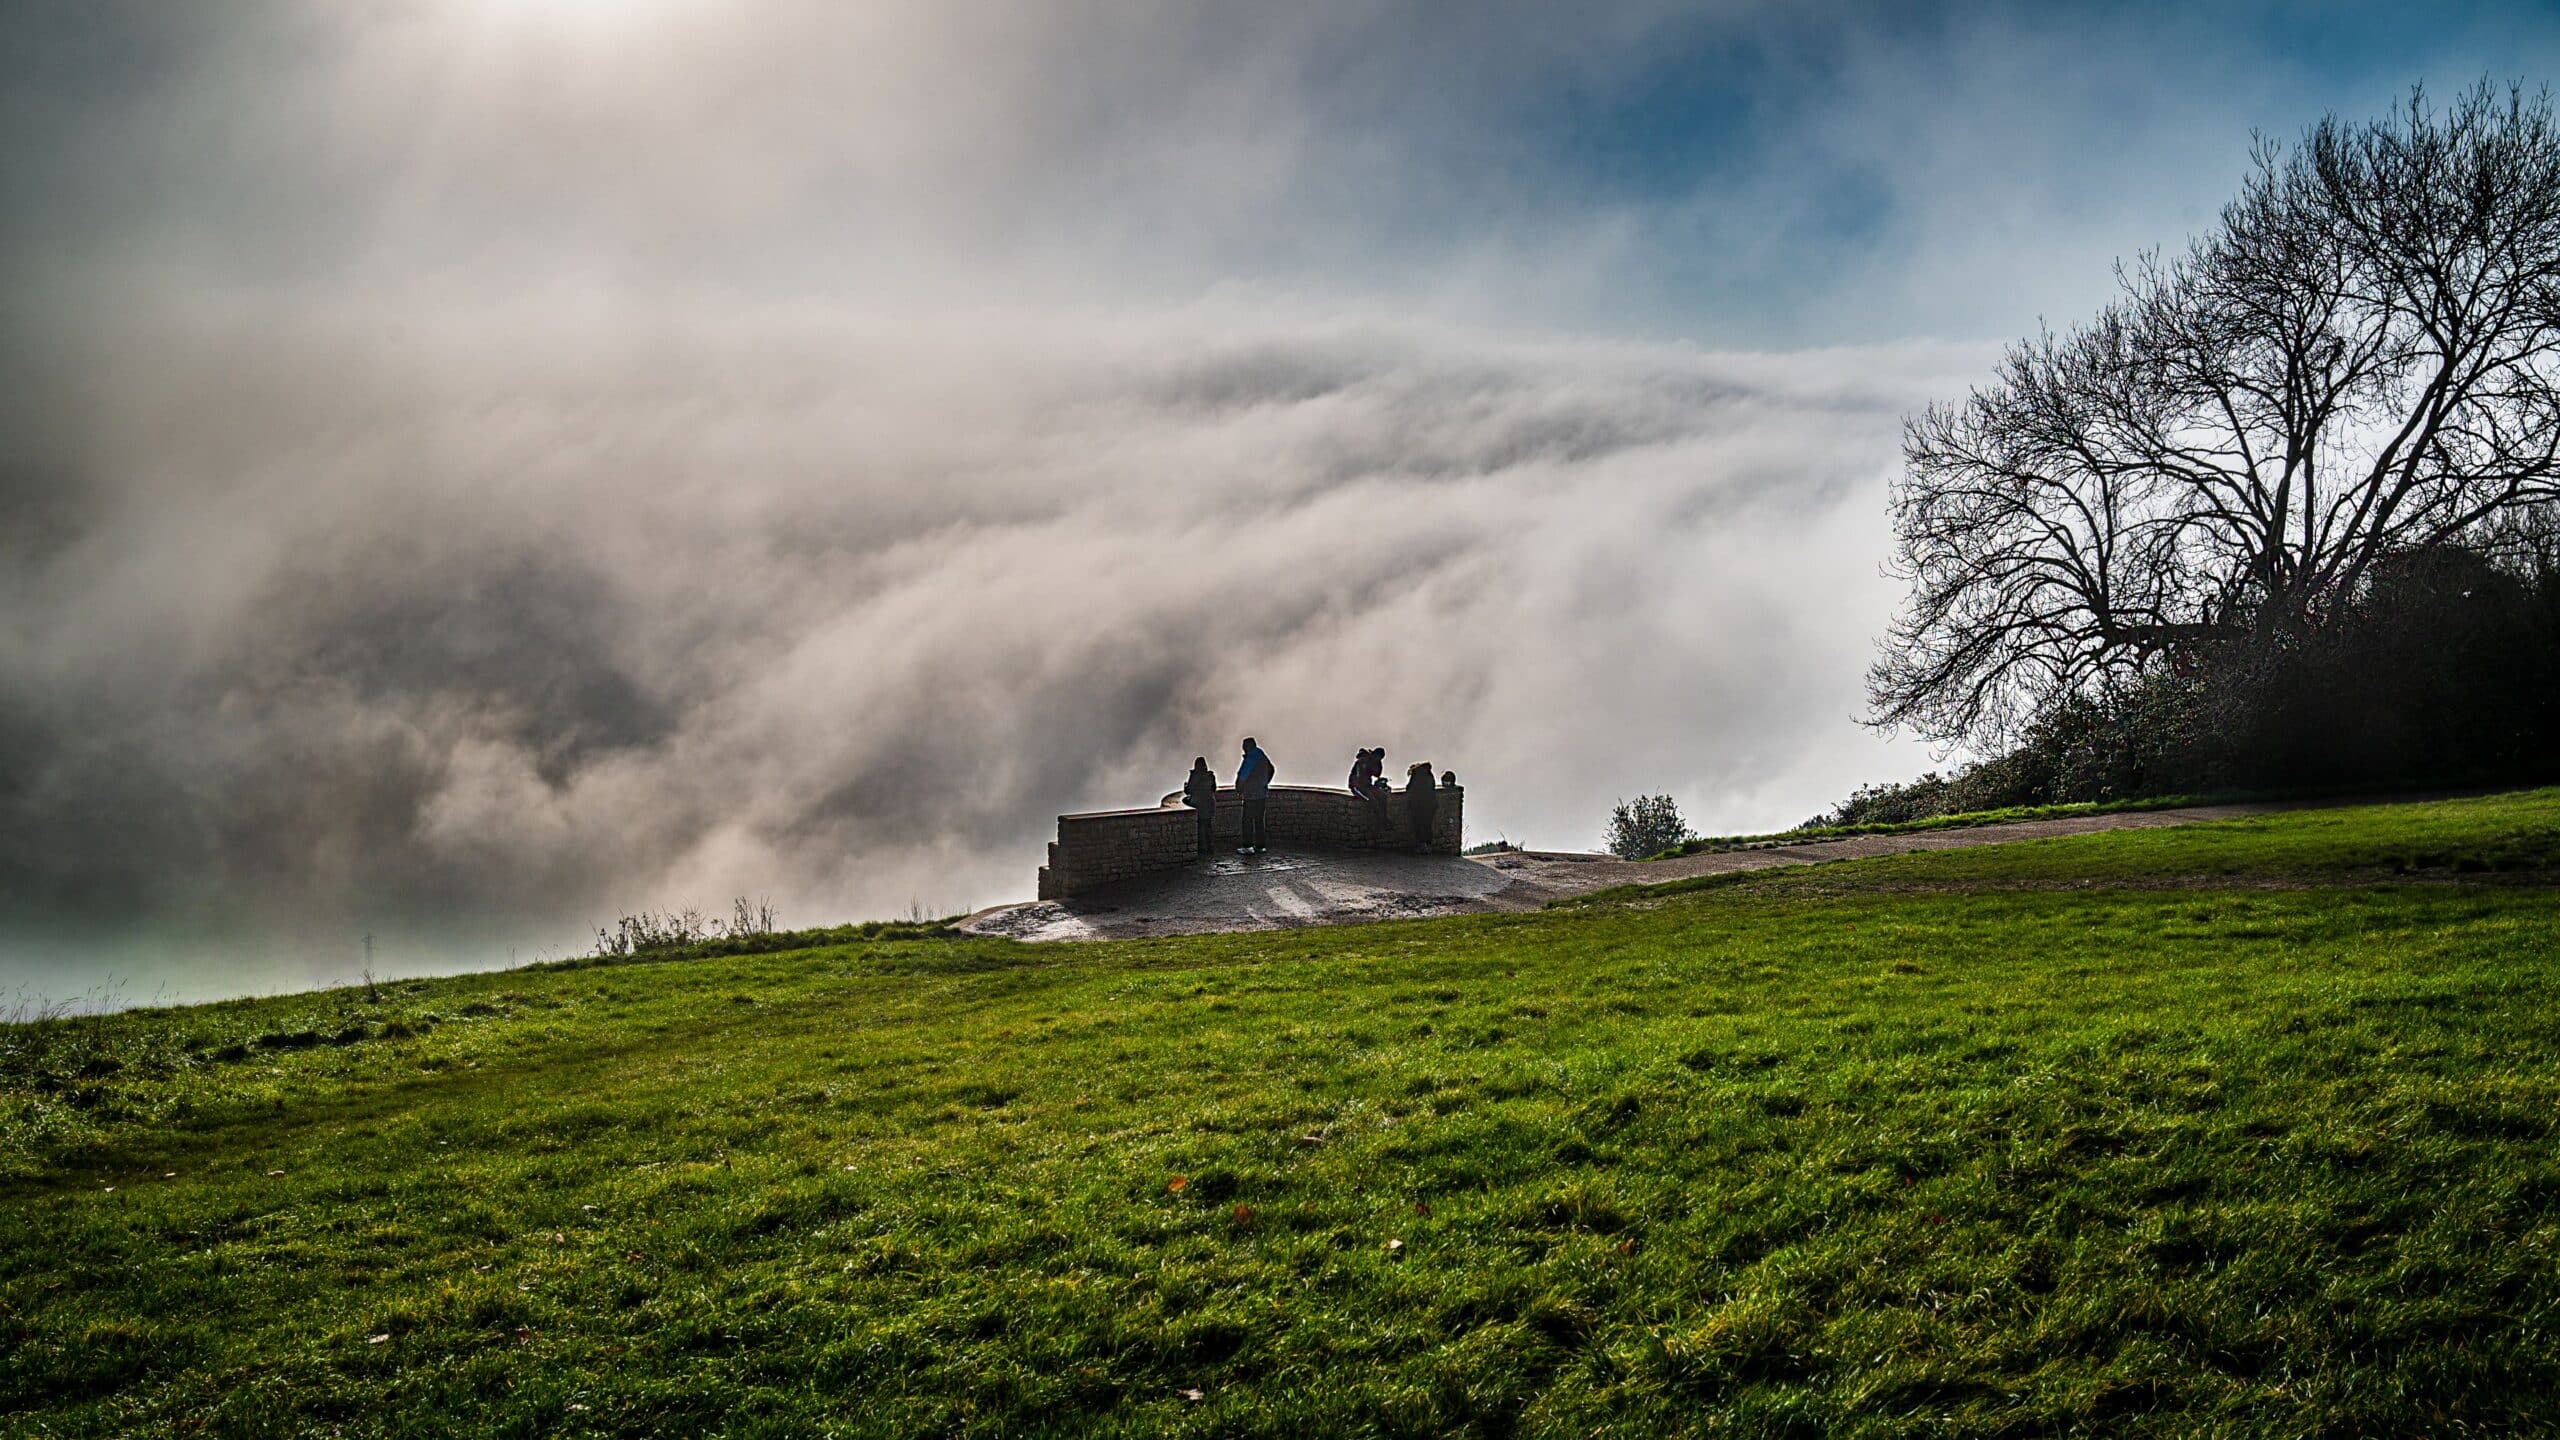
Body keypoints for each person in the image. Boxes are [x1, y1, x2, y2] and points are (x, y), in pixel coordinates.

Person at [1235, 736, 1274, 854]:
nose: (1242, 749)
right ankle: (1260, 846)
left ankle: (1247, 846)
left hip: (1251, 795)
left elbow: (1243, 776)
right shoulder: (1261, 755)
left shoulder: (1250, 758)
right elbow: (1271, 769)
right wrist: (1265, 782)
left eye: (1243, 746)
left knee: (1247, 820)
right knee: (1259, 821)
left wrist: (1239, 789)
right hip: (1262, 794)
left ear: (1247, 746)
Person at [1181, 756, 1219, 857]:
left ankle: (1202, 850)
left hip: (1198, 805)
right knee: (1208, 827)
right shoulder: (1210, 776)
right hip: (1209, 804)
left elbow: (1189, 790)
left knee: (1200, 828)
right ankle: (1210, 848)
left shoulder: (1194, 776)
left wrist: (1185, 786)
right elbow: (1213, 789)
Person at [1403, 760, 1439, 852]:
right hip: (1430, 804)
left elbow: (1409, 787)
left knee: (1418, 824)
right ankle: (1428, 845)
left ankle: (1421, 845)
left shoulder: (1415, 774)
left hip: (1418, 804)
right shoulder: (1429, 774)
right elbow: (1432, 787)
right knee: (1427, 825)